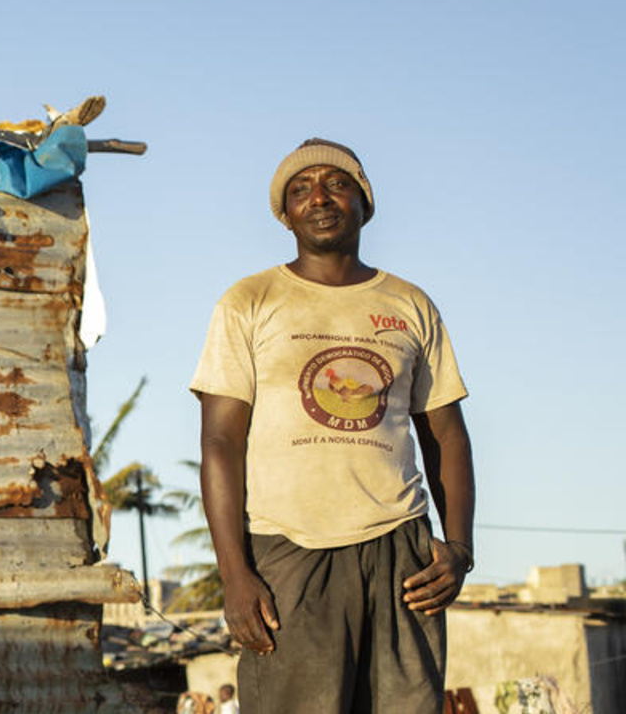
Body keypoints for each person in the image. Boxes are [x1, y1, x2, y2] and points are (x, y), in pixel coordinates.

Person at [191, 139, 476, 713]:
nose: (319, 197)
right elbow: (220, 441)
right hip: (290, 552)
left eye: (337, 184)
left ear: (364, 203)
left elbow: (446, 434)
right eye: (301, 189)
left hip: (402, 552)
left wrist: (460, 548)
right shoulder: (249, 301)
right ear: (285, 214)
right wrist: (235, 574)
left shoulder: (410, 304)